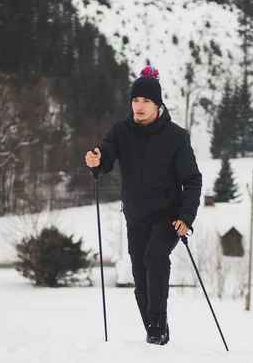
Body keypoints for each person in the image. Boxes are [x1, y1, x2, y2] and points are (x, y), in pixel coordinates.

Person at [85, 66, 202, 346]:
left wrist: (186, 216)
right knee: (140, 277)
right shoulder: (121, 131)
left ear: (157, 104)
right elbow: (107, 155)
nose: (139, 106)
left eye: (146, 101)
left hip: (168, 216)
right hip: (136, 216)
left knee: (155, 258)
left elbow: (192, 180)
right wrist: (96, 160)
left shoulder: (176, 136)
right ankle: (155, 331)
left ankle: (157, 323)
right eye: (135, 100)